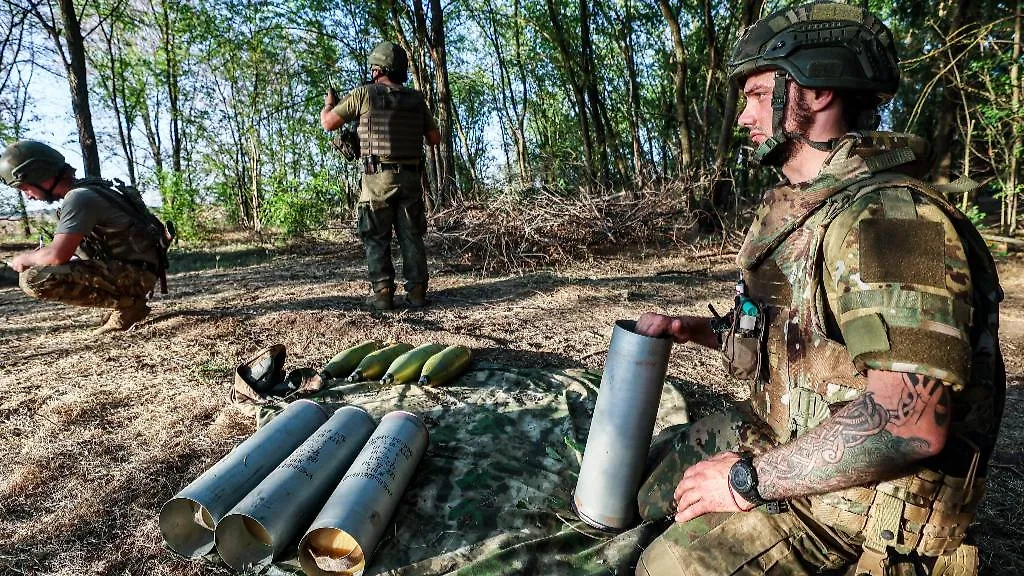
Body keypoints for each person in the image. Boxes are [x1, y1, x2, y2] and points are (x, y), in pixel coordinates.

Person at [632, 3, 1005, 575]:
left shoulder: (890, 223)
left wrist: (744, 480)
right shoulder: (807, 211)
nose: (743, 117)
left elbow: (909, 423)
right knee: (652, 483)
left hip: (864, 506)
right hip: (786, 437)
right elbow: (801, 347)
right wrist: (701, 332)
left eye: (757, 95)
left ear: (817, 91)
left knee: (672, 566)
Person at [320, 41, 441, 310]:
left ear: (377, 70)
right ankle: (417, 292)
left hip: (377, 180)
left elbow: (328, 124)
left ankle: (383, 293)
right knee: (411, 236)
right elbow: (434, 138)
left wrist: (329, 104)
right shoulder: (416, 99)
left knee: (376, 236)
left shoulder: (364, 94)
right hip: (410, 179)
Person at [1, 140, 168, 335]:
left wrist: (25, 258)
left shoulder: (79, 198)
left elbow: (57, 255)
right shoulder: (91, 189)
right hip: (138, 271)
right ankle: (125, 301)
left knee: (33, 277)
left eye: (25, 188)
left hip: (134, 276)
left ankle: (129, 304)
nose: (28, 196)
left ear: (40, 174)